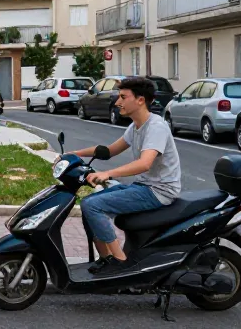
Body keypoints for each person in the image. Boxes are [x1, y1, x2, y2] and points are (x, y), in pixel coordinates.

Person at [65, 76, 181, 275]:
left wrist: (107, 173)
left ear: (140, 100)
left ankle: (120, 263)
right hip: (144, 186)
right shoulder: (135, 126)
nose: (118, 102)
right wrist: (74, 154)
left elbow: (144, 163)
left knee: (93, 205)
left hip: (160, 191)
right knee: (88, 203)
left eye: (123, 97)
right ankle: (105, 258)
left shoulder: (156, 127)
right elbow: (109, 151)